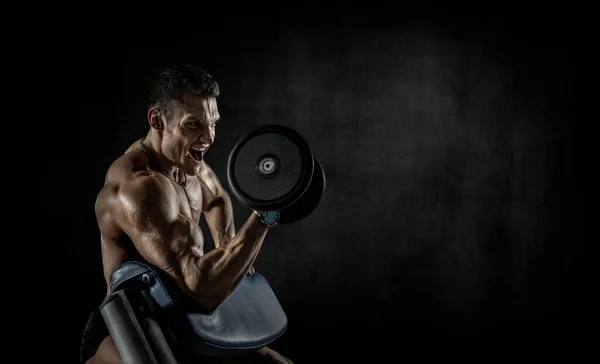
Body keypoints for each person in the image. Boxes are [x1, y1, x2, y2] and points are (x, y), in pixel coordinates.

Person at [80, 65, 293, 364]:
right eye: (194, 125)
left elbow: (217, 199)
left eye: (213, 123)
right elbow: (201, 291)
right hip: (131, 323)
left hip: (183, 317)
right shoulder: (137, 189)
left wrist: (225, 241)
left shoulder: (193, 166)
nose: (209, 137)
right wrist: (264, 217)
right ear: (157, 120)